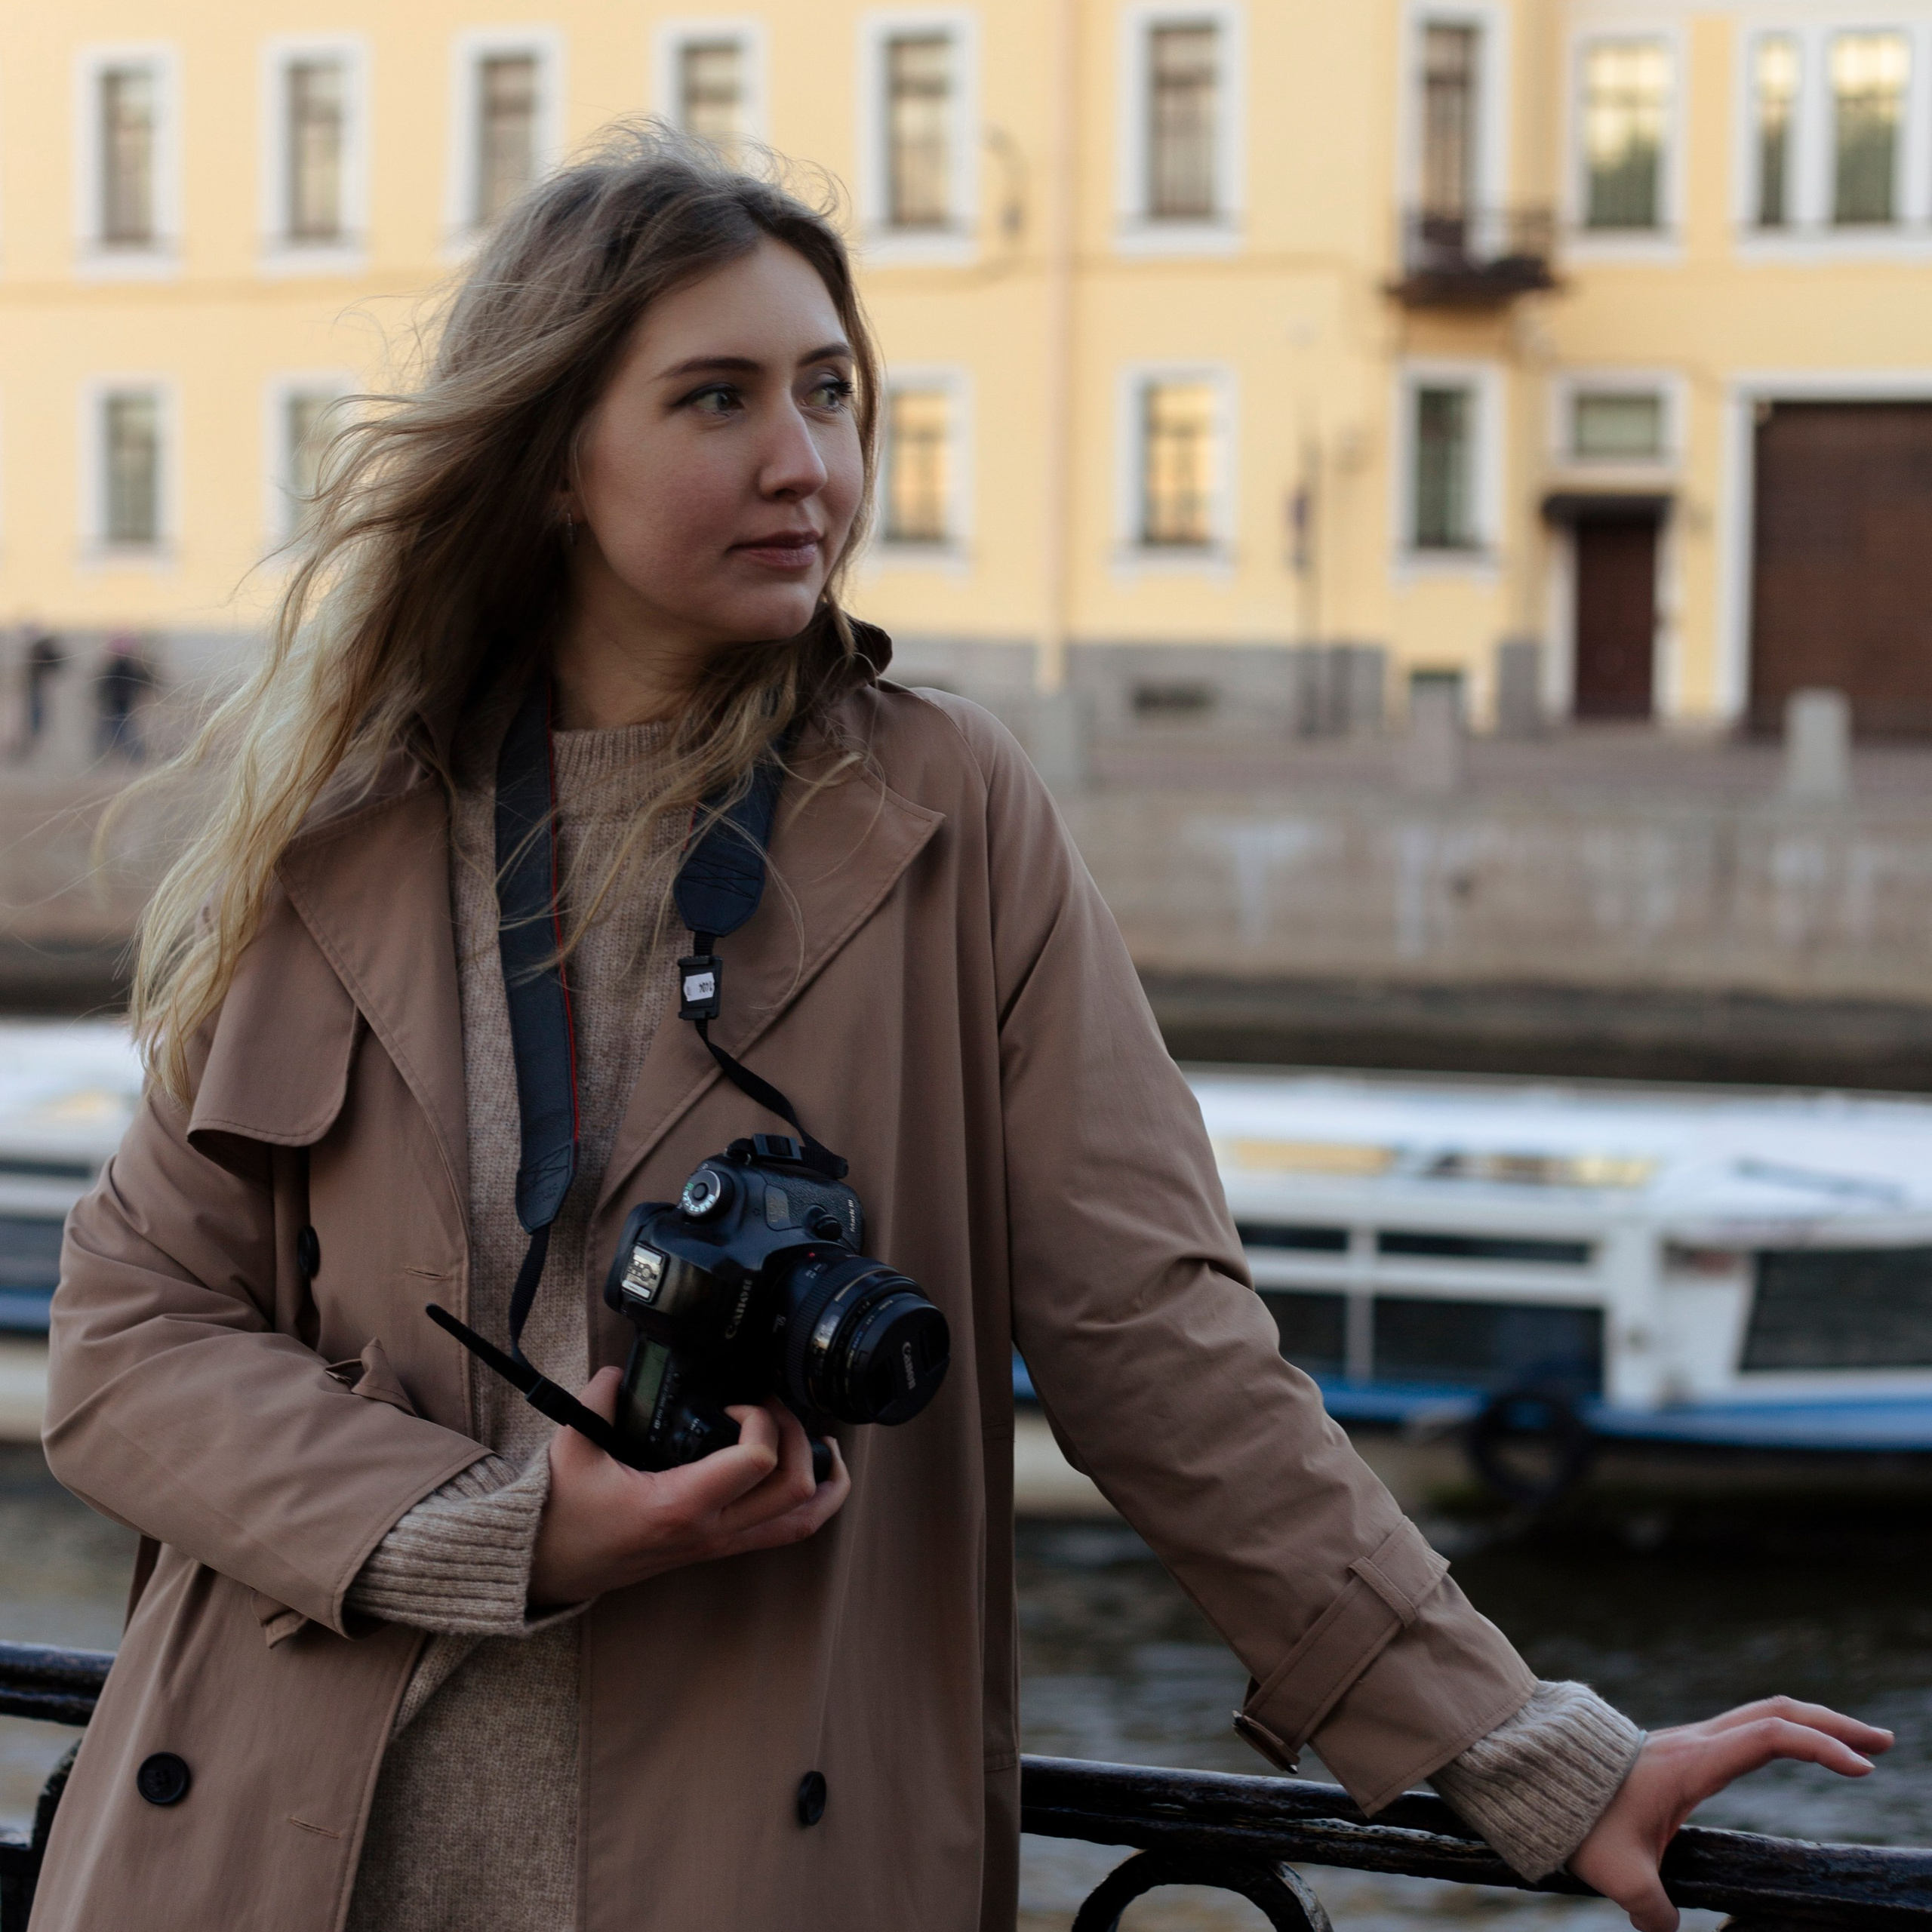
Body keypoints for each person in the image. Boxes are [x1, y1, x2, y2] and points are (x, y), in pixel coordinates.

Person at [35, 130, 1887, 1932]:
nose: (804, 461)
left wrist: (1522, 1750)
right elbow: (129, 1342)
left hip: (748, 1846)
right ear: (550, 464)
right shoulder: (348, 833)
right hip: (279, 1844)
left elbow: (1158, 1339)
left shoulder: (936, 816)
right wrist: (496, 1526)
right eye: (716, 400)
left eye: (830, 392)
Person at [95, 632, 157, 761]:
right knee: (119, 727)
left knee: (120, 728)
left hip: (120, 702)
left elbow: (105, 684)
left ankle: (132, 754)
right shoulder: (126, 666)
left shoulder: (120, 666)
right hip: (119, 702)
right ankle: (131, 754)